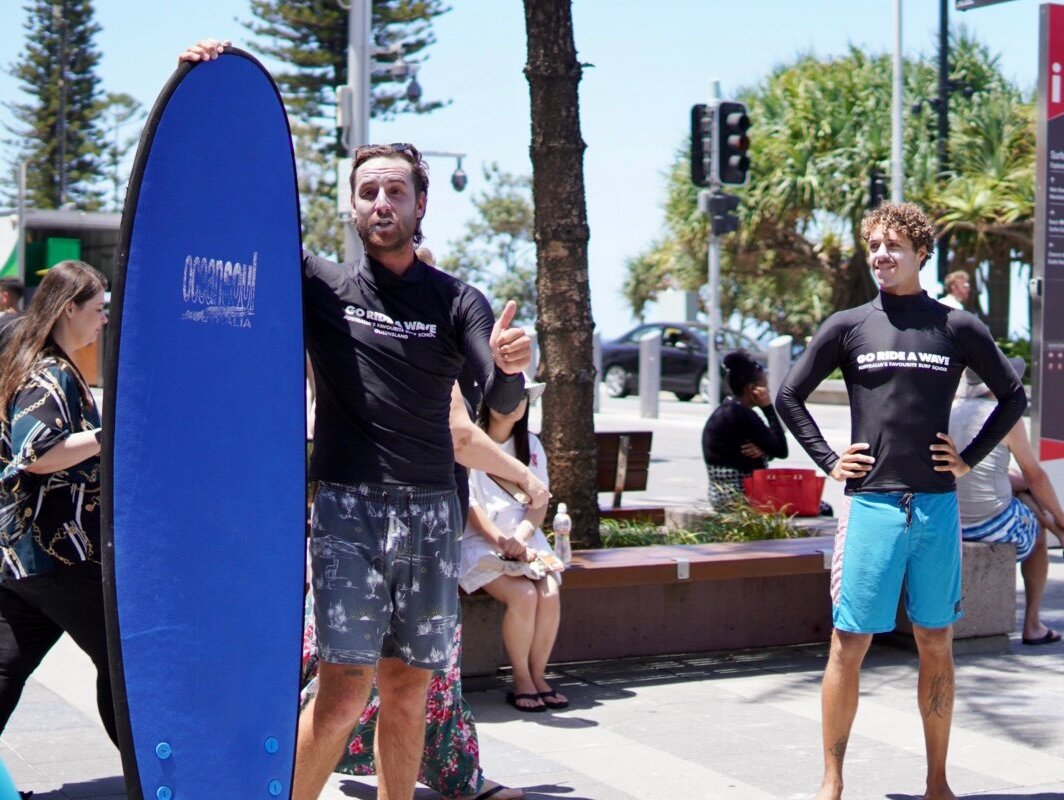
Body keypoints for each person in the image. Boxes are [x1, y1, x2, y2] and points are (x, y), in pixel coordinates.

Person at [180, 39, 542, 800]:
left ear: (420, 204)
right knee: (344, 692)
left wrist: (513, 372)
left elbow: (499, 411)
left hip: (434, 515)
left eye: (396, 193)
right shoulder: (322, 285)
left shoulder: (457, 301)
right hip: (346, 509)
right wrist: (204, 91)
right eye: (369, 192)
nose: (382, 205)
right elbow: (229, 214)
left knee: (409, 689)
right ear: (352, 204)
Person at [776, 202, 1027, 800]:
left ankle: (937, 780)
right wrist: (830, 461)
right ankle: (832, 779)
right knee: (850, 641)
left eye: (894, 246)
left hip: (937, 507)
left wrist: (967, 458)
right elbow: (790, 396)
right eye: (875, 247)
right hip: (872, 508)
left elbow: (1012, 398)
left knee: (935, 640)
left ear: (921, 253)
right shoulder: (849, 325)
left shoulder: (956, 327)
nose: (882, 256)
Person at [0, 261, 115, 751]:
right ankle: (151, 780)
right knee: (123, 665)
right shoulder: (51, 374)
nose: (104, 319)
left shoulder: (41, 364)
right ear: (69, 308)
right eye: (98, 308)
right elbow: (39, 453)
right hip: (59, 557)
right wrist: (109, 435)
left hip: (23, 557)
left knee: (7, 664)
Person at [461, 383, 567, 714]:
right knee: (524, 595)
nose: (510, 404)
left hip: (526, 540)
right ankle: (521, 679)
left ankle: (538, 677)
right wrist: (501, 541)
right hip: (480, 541)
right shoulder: (470, 441)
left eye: (518, 397)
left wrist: (520, 537)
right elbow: (470, 505)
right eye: (503, 396)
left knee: (548, 592)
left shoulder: (531, 444)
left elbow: (539, 502)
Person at [950, 358, 1064, 646]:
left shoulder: (949, 410)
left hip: (950, 521)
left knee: (1022, 491)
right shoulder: (1003, 416)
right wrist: (1059, 517)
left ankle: (1057, 530)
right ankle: (1033, 625)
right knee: (1037, 530)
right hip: (987, 526)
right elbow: (1035, 475)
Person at [701, 349, 788, 507]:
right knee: (823, 508)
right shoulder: (742, 415)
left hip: (720, 495)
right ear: (751, 389)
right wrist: (768, 408)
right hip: (741, 498)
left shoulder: (727, 410)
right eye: (765, 386)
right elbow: (781, 450)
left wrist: (765, 450)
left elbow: (770, 446)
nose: (768, 391)